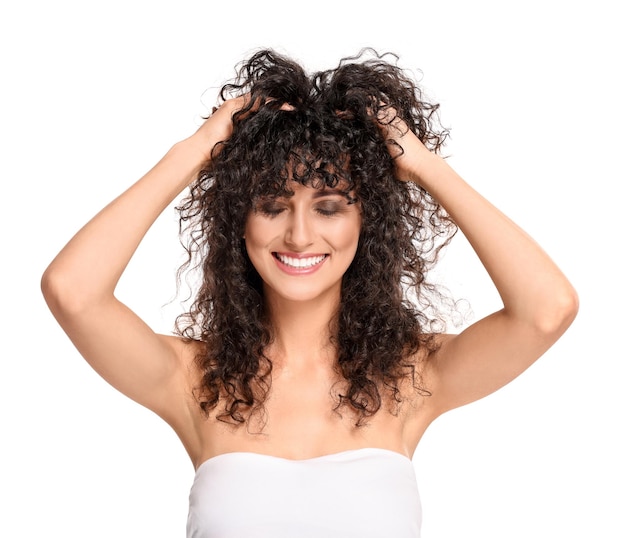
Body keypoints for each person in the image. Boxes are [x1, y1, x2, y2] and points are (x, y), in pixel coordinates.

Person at [41, 48, 578, 537]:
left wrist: (417, 162)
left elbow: (547, 310)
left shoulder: (411, 377)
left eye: (329, 206)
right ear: (239, 220)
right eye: (272, 205)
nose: (299, 235)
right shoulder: (194, 380)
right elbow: (73, 291)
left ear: (367, 220)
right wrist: (199, 148)